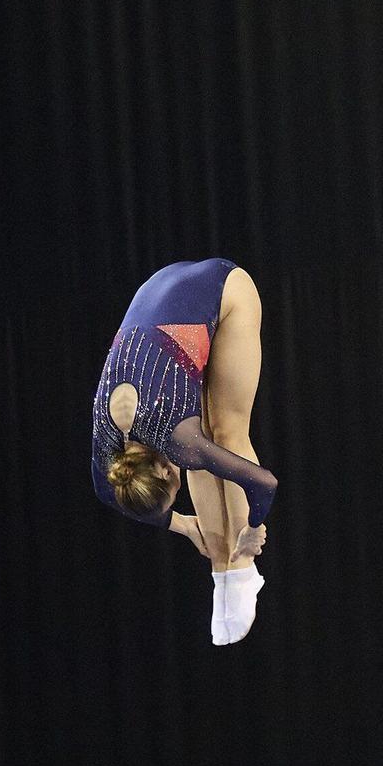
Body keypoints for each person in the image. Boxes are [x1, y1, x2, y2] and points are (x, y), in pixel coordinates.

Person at [92, 258, 278, 644]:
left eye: (177, 493)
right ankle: (219, 570)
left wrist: (253, 533)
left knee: (225, 434)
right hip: (158, 285)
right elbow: (106, 494)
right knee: (203, 455)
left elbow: (264, 484)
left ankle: (242, 570)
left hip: (223, 287)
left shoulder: (179, 439)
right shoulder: (108, 448)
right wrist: (182, 525)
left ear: (163, 470)